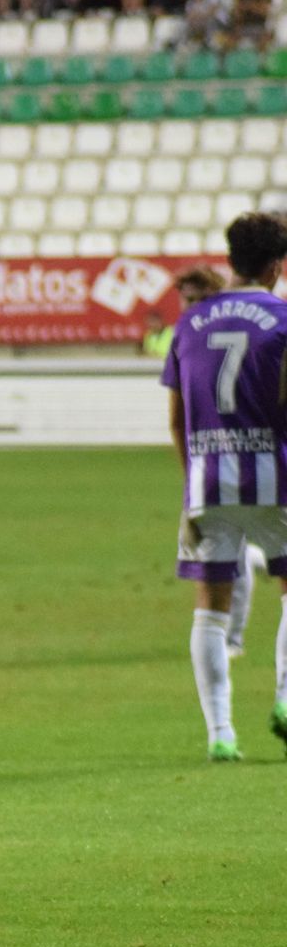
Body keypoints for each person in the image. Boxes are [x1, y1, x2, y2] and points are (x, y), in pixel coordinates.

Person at [162, 212, 287, 762]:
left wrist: (191, 486)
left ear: (231, 259)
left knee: (209, 611)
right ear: (278, 267)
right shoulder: (283, 317)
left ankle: (221, 735)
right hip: (276, 477)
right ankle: (285, 701)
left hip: (208, 480)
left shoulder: (188, 324)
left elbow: (176, 417)